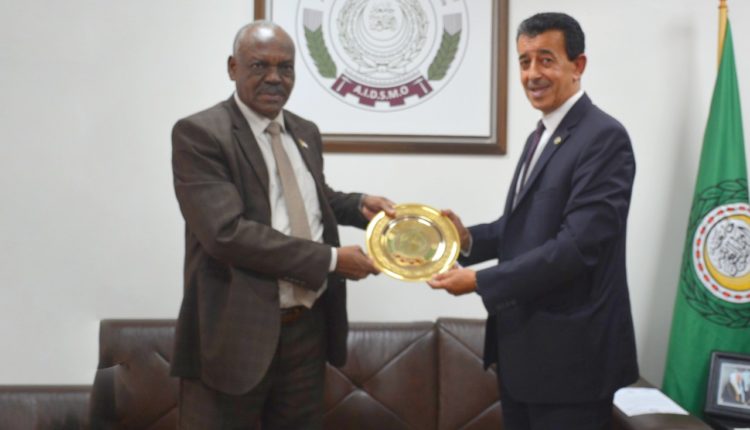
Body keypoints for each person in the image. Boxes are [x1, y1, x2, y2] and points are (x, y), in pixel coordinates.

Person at [170, 20, 394, 429]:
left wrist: (359, 205)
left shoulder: (304, 131)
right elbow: (226, 234)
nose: (275, 77)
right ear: (233, 67)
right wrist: (331, 260)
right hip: (236, 334)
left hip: (306, 331)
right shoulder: (201, 134)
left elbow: (308, 198)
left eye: (285, 67)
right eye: (260, 65)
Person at [428, 12, 639, 429]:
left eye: (546, 59)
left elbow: (577, 247)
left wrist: (481, 281)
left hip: (572, 366)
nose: (532, 74)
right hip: (525, 357)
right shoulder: (540, 135)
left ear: (578, 65)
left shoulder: (603, 137)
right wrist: (464, 240)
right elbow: (523, 228)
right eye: (524, 62)